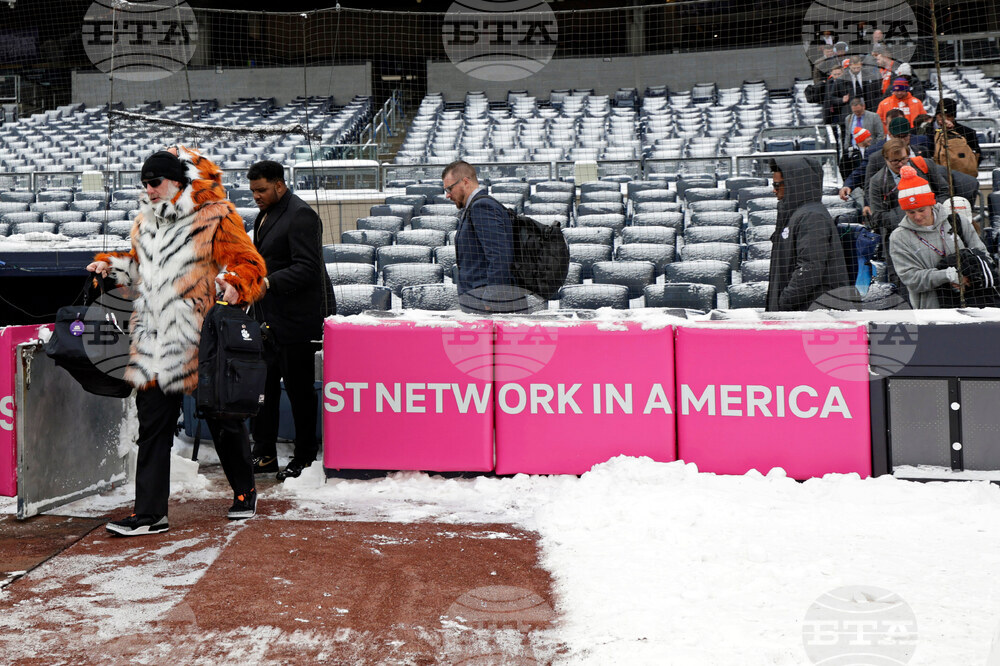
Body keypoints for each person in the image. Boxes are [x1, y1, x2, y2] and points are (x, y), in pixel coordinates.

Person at [87, 147, 267, 536]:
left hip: (203, 338)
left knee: (222, 419)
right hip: (154, 340)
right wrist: (113, 266)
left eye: (155, 182)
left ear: (178, 181)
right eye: (144, 184)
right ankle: (150, 514)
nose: (149, 190)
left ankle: (244, 489)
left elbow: (250, 263)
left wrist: (233, 284)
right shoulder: (144, 224)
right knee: (152, 425)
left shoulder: (215, 216)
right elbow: (137, 266)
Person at [246, 160, 333, 482]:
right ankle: (265, 453)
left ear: (279, 185)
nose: (256, 196)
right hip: (269, 319)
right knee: (264, 388)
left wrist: (269, 283)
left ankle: (306, 456)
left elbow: (308, 268)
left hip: (298, 321)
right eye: (253, 190)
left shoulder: (300, 214)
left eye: (262, 190)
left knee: (299, 392)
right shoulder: (265, 213)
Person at [889, 166, 991, 308]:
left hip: (972, 304)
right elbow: (911, 279)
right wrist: (946, 276)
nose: (917, 217)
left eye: (921, 210)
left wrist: (969, 277)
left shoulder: (957, 222)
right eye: (910, 212)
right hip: (933, 311)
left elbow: (984, 256)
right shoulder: (899, 237)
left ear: (931, 204)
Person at [443, 160, 537, 314]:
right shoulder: (475, 206)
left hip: (493, 307)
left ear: (465, 182)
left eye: (449, 188)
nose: (447, 195)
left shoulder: (482, 207)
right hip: (484, 305)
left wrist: (490, 300)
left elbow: (499, 256)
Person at [765, 156, 849, 311]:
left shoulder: (812, 217)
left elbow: (810, 268)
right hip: (805, 309)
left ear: (794, 185)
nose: (774, 190)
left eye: (777, 185)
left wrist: (784, 301)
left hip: (813, 313)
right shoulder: (798, 213)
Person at [933, 97, 982, 166]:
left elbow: (977, 155)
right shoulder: (924, 130)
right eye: (941, 116)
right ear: (936, 115)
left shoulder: (968, 132)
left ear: (954, 117)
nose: (945, 119)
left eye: (948, 116)